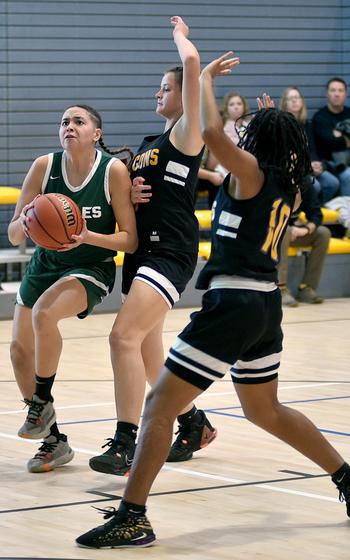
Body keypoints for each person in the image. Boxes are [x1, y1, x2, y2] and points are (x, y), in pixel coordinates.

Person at [76, 53, 350, 549]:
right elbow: (217, 162)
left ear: (257, 145)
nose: (239, 134)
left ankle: (133, 516)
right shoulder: (281, 184)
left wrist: (201, 77)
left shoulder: (251, 173)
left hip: (234, 304)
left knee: (158, 404)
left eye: (250, 131)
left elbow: (215, 136)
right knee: (265, 410)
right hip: (265, 304)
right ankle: (346, 476)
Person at [88, 16, 217, 477]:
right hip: (141, 254)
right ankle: (194, 422)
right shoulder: (150, 143)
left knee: (122, 336)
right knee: (147, 353)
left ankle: (125, 443)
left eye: (165, 88)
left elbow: (192, 62)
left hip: (170, 252)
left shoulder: (187, 132)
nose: (158, 94)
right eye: (158, 89)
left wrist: (181, 39)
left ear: (184, 96)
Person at [8, 104, 138, 473]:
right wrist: (30, 218)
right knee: (19, 351)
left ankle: (40, 402)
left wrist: (86, 236)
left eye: (79, 121)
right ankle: (54, 442)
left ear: (96, 133)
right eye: (64, 121)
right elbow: (14, 234)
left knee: (46, 313)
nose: (70, 126)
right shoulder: (43, 167)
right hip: (45, 265)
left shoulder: (112, 171)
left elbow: (129, 240)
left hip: (90, 264)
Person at [280, 86, 340, 203]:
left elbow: (312, 149)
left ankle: (317, 210)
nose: (294, 100)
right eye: (290, 98)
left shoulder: (307, 125)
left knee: (332, 182)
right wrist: (308, 166)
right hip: (293, 170)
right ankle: (305, 212)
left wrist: (317, 164)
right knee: (315, 186)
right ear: (285, 103)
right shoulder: (281, 125)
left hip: (309, 167)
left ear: (302, 101)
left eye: (297, 97)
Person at [277, 182, 331, 306]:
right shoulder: (272, 178)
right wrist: (287, 227)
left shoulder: (304, 182)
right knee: (285, 231)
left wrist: (306, 229)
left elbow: (316, 214)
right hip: (269, 231)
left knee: (323, 233)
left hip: (293, 230)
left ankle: (307, 288)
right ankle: (280, 288)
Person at [312, 78, 350, 197]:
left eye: (340, 90)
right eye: (333, 90)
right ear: (327, 93)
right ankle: (346, 212)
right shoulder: (320, 117)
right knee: (348, 175)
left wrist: (340, 138)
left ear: (345, 94)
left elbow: (336, 141)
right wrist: (345, 139)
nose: (337, 94)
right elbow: (330, 142)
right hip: (329, 163)